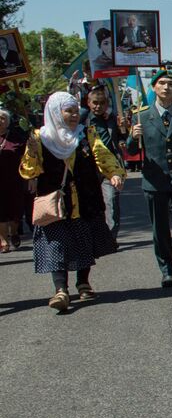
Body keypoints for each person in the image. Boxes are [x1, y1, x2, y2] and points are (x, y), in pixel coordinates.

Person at [19, 92, 124, 311]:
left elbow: (102, 155)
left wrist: (114, 173)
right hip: (55, 202)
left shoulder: (86, 134)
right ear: (56, 113)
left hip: (85, 198)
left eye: (76, 111)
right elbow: (30, 170)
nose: (74, 115)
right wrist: (30, 149)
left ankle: (83, 282)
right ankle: (61, 290)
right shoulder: (40, 138)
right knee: (57, 245)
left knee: (84, 241)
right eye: (69, 111)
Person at [127, 66, 172, 293]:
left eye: (170, 84)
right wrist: (132, 137)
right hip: (155, 179)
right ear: (154, 87)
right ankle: (168, 270)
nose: (166, 87)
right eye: (162, 84)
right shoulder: (142, 115)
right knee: (160, 229)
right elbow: (131, 150)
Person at [80, 85, 127, 239]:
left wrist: (122, 135)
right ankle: (94, 235)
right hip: (89, 167)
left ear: (107, 104)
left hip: (111, 167)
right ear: (88, 102)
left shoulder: (113, 118)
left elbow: (123, 136)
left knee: (111, 201)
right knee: (91, 202)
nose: (98, 106)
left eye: (102, 103)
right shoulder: (82, 118)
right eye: (95, 102)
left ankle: (110, 237)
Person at [0, 107, 26, 252]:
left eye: (3, 118)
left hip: (14, 179)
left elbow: (26, 156)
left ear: (7, 121)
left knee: (15, 210)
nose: (0, 121)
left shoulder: (16, 137)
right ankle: (4, 241)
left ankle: (14, 232)